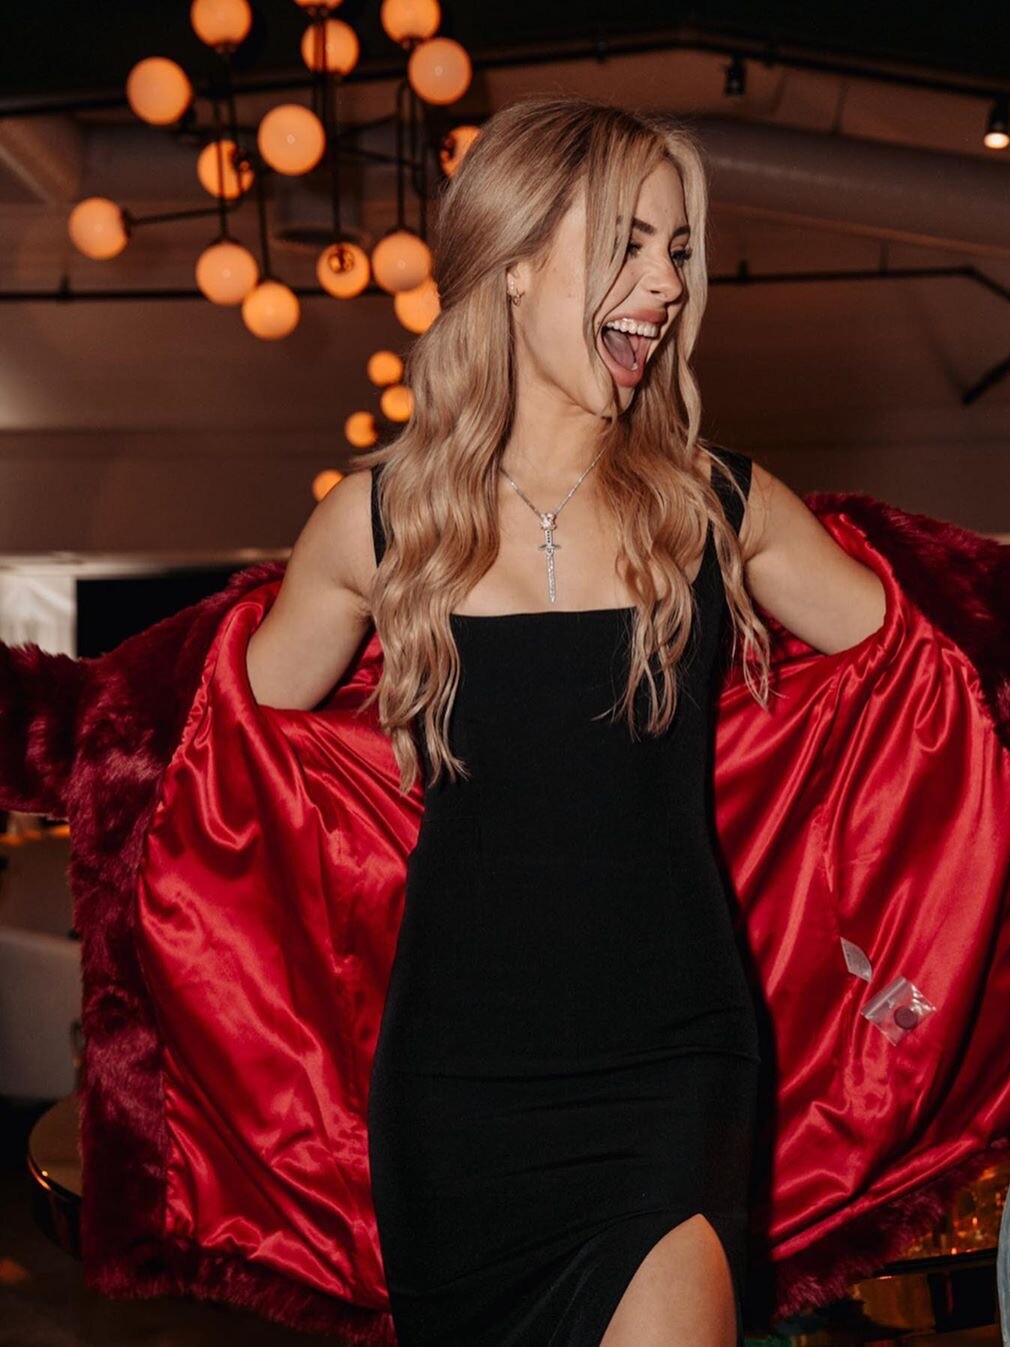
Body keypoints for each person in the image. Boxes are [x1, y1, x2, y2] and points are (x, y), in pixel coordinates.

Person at [244, 94, 886, 1347]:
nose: (668, 284)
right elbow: (228, 748)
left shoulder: (719, 507)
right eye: (629, 243)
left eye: (678, 249)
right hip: (455, 1094)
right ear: (516, 261)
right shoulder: (379, 525)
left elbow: (916, 671)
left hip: (673, 1065)